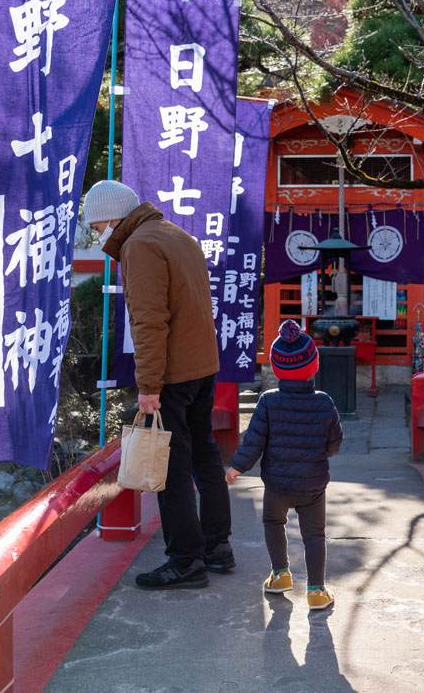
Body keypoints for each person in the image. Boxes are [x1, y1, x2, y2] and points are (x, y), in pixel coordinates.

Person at [83, 179, 233, 590]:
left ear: (113, 216)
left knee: (171, 467)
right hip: (203, 365)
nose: (99, 236)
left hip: (172, 373)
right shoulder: (176, 234)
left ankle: (185, 560)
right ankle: (217, 546)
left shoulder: (140, 246)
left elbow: (149, 323)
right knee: (204, 454)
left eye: (98, 228)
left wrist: (147, 385)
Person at [225, 320, 343, 610]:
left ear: (277, 369)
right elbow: (334, 442)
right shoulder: (324, 402)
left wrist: (236, 466)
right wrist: (325, 452)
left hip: (277, 485)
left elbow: (254, 440)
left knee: (273, 523)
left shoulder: (268, 401)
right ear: (314, 366)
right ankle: (316, 591)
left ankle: (280, 575)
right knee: (314, 535)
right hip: (313, 485)